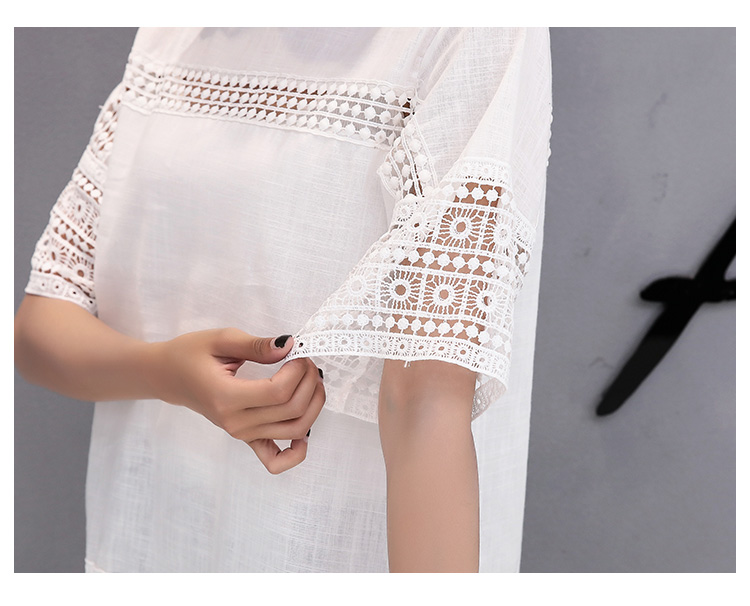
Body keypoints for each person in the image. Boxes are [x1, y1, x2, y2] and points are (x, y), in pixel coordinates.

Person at [14, 27, 552, 572]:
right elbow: (40, 325)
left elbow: (425, 401)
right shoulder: (172, 32)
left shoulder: (470, 29)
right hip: (152, 538)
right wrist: (167, 373)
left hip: (329, 550)